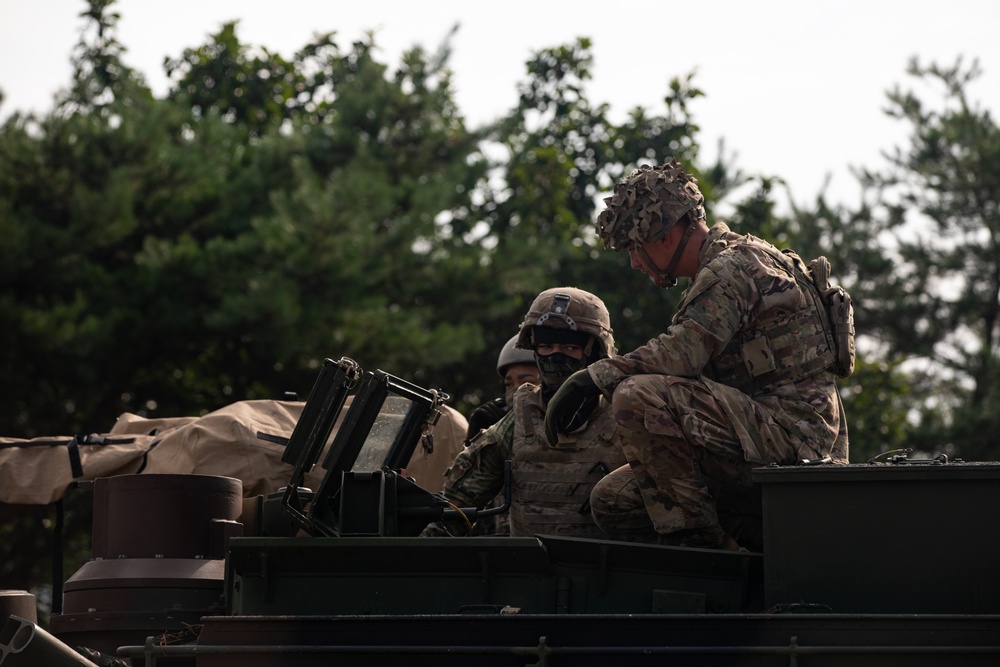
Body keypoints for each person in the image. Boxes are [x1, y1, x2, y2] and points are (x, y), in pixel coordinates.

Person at [544, 160, 851, 551]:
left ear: (665, 237)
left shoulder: (731, 268)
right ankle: (757, 553)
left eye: (635, 249)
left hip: (795, 441)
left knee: (637, 395)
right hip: (769, 438)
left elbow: (680, 354)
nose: (635, 263)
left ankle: (704, 552)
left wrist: (592, 377)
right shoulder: (738, 260)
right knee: (614, 501)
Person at [421, 287, 627, 538]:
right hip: (531, 571)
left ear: (594, 351)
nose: (554, 355)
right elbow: (457, 508)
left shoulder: (624, 412)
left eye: (568, 347)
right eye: (546, 345)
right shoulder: (518, 419)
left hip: (611, 571)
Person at [464, 335, 540, 446]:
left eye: (527, 383)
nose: (517, 392)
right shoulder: (500, 432)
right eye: (509, 385)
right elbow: (464, 463)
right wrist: (477, 439)